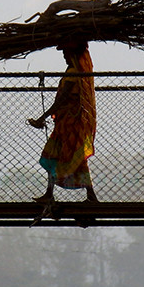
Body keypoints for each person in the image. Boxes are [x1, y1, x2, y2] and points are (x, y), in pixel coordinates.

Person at [28, 40, 98, 205]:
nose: (65, 56)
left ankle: (90, 196)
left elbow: (62, 100)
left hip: (71, 125)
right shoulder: (73, 72)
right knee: (55, 157)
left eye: (67, 53)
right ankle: (50, 193)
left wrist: (42, 117)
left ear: (73, 54)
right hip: (65, 124)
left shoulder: (74, 73)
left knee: (73, 159)